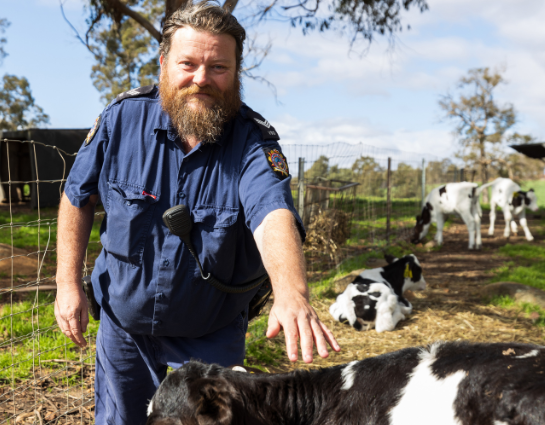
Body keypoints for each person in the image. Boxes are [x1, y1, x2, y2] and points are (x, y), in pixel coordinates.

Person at [54, 2, 340, 423]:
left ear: (237, 71)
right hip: (125, 329)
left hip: (211, 331)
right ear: (164, 63)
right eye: (188, 64)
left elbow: (271, 212)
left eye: (218, 67)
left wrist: (291, 293)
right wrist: (67, 284)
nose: (202, 79)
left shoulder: (253, 141)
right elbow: (77, 197)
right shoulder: (122, 121)